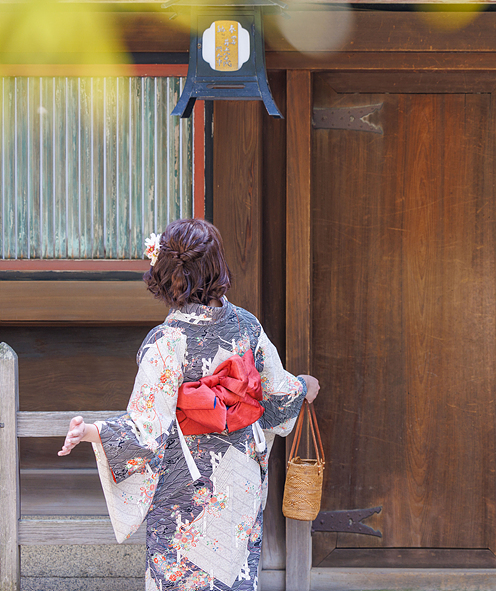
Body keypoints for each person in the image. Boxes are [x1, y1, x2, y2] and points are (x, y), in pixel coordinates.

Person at [58, 218, 320, 591]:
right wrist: (304, 385)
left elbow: (146, 429)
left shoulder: (166, 341)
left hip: (185, 483)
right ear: (217, 268)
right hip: (237, 478)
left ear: (165, 276)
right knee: (233, 576)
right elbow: (277, 398)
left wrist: (91, 432)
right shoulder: (247, 327)